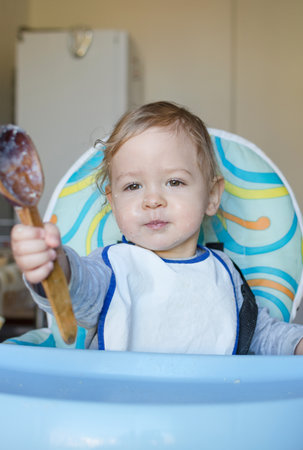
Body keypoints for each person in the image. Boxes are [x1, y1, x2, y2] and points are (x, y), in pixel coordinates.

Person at [11, 101, 303, 354]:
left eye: (174, 182)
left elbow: (262, 335)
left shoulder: (224, 275)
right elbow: (77, 291)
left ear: (212, 196)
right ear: (113, 203)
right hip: (120, 408)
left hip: (211, 411)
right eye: (133, 185)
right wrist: (53, 263)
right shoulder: (112, 268)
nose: (152, 200)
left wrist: (296, 344)